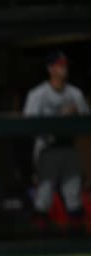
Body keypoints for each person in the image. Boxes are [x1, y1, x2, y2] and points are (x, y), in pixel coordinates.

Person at [23, 50, 89, 232]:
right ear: (50, 68)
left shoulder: (75, 93)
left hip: (69, 146)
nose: (64, 68)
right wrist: (60, 117)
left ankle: (76, 240)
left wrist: (74, 116)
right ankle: (37, 238)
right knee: (44, 195)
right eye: (60, 65)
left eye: (65, 65)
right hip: (47, 147)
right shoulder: (38, 94)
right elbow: (27, 124)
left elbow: (86, 120)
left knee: (73, 193)